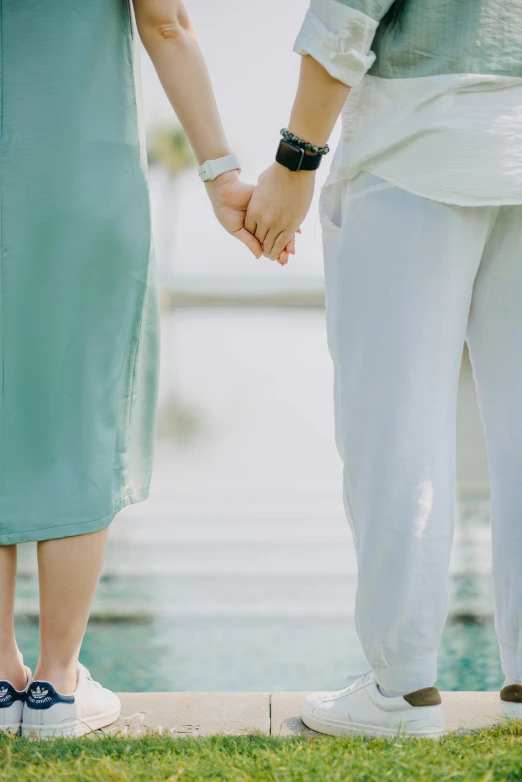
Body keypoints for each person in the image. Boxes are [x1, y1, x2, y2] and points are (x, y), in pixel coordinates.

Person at [0, 0, 291, 739]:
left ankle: (2, 680)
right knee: (81, 419)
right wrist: (223, 174)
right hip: (77, 190)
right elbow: (167, 26)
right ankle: (57, 687)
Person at [246, 0, 522, 738]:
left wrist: (295, 162)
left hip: (417, 148)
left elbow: (346, 17)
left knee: (397, 436)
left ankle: (402, 692)